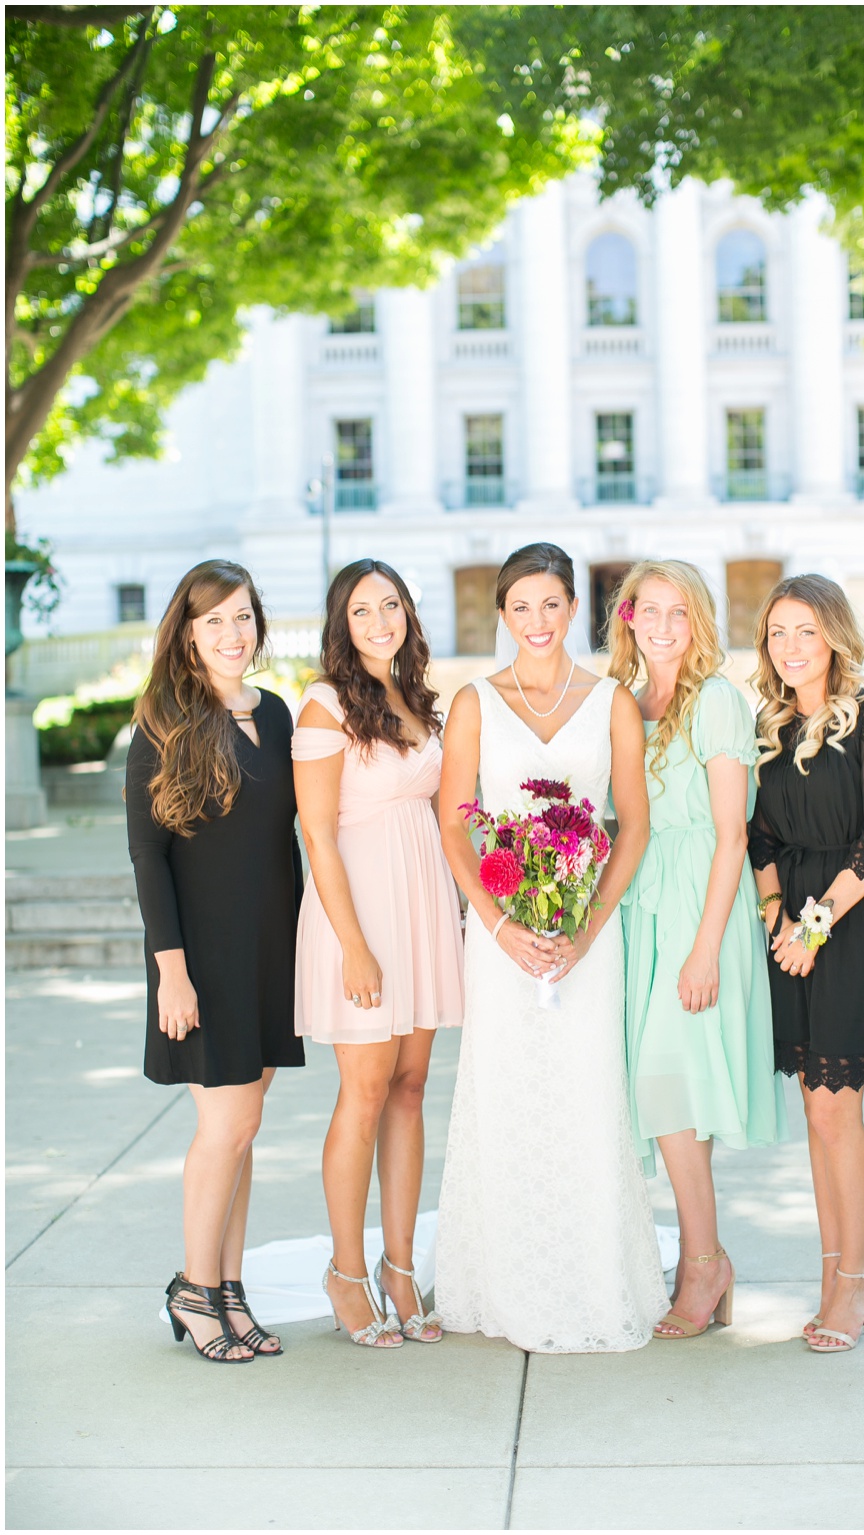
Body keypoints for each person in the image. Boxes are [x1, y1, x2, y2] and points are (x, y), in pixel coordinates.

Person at [433, 543, 666, 1352]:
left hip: (584, 938)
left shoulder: (612, 703)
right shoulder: (472, 703)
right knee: (504, 1093)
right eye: (520, 607)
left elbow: (631, 824)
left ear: (575, 610)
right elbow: (455, 824)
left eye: (551, 604)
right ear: (503, 615)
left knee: (583, 1093)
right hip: (500, 939)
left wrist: (588, 924)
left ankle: (592, 1278)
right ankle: (500, 1279)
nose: (536, 621)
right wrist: (497, 926)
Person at [128, 560, 303, 1362]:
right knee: (224, 1123)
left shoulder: (276, 712)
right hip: (202, 955)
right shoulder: (163, 723)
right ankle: (194, 1290)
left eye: (242, 617)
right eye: (214, 621)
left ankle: (229, 1288)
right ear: (187, 633)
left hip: (273, 946)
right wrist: (171, 968)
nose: (232, 634)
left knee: (247, 1127)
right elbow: (147, 857)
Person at [609, 560, 785, 1340]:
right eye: (651, 610)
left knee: (669, 1082)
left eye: (679, 612)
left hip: (699, 906)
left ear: (699, 621)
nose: (664, 625)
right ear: (629, 617)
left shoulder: (715, 700)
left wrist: (707, 945)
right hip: (641, 902)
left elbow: (732, 833)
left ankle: (704, 1262)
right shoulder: (625, 701)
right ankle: (698, 1257)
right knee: (660, 1095)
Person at [293, 559, 465, 1347]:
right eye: (362, 610)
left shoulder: (417, 698)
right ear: (342, 623)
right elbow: (317, 834)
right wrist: (354, 947)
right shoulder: (325, 705)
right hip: (357, 913)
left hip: (423, 901)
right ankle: (347, 1270)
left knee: (410, 1087)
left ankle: (401, 1265)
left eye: (390, 604)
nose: (379, 620)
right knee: (362, 1094)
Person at [746, 574, 864, 1355]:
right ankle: (831, 1275)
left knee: (837, 1108)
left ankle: (855, 1279)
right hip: (795, 931)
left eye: (805, 630)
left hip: (856, 924)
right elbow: (761, 840)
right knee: (816, 1111)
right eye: (778, 631)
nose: (790, 646)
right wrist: (778, 912)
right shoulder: (771, 726)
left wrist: (814, 925)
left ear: (835, 636)